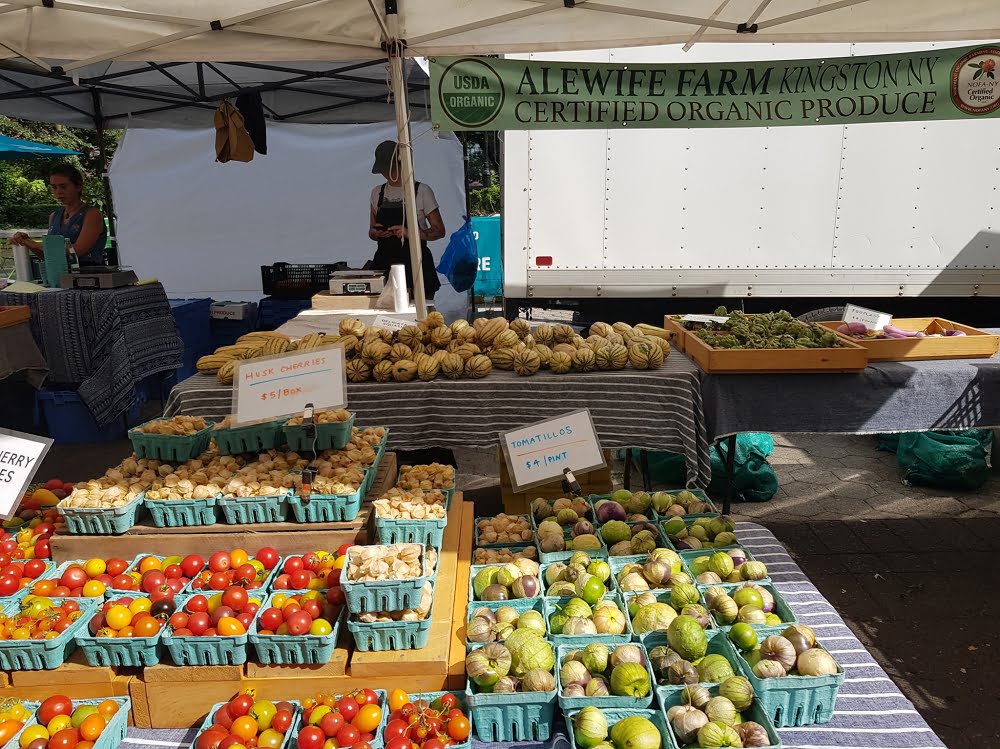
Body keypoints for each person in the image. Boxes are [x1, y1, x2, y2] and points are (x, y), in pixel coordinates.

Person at [369, 140, 445, 300]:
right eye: (382, 170)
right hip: (385, 264)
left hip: (417, 265)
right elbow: (371, 230)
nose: (384, 173)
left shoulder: (422, 191)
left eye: (387, 168)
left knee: (422, 319)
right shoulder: (377, 193)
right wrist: (377, 233)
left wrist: (410, 233)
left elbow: (439, 231)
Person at [11, 164, 107, 267]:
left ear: (78, 186)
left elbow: (77, 250)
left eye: (63, 186)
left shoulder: (92, 214)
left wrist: (37, 245)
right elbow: (48, 256)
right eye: (54, 187)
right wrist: (27, 242)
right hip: (60, 276)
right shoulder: (54, 216)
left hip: (90, 276)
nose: (58, 192)